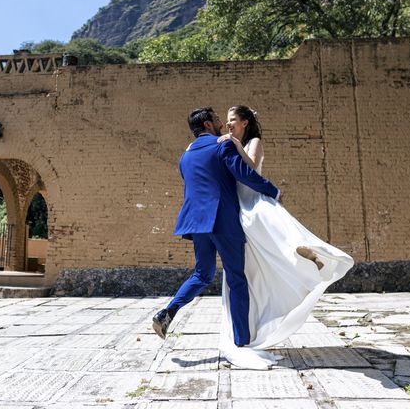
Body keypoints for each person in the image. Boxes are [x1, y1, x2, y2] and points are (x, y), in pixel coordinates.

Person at [217, 105, 354, 369]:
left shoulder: (254, 141)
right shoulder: (233, 142)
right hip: (239, 204)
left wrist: (234, 143)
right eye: (227, 121)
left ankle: (308, 255)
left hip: (254, 199)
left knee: (278, 230)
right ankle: (256, 324)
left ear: (245, 122)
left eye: (233, 120)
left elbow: (252, 167)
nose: (228, 125)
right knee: (255, 262)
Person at [152, 107, 281, 347]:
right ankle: (242, 342)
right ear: (209, 125)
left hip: (196, 222)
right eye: (217, 118)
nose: (222, 121)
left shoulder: (185, 155)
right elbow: (245, 173)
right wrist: (274, 192)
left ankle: (167, 312)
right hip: (222, 219)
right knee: (236, 278)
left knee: (203, 274)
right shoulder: (222, 145)